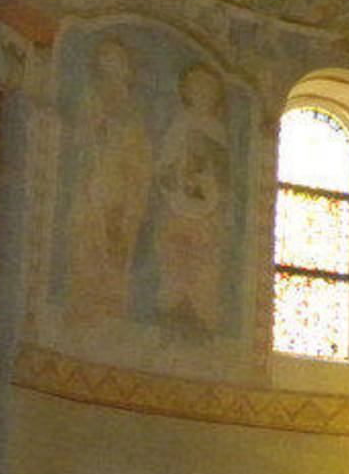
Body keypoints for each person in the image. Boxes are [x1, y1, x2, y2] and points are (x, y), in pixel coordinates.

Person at [63, 37, 152, 322]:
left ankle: (112, 307)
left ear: (126, 67)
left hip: (120, 187)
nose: (110, 66)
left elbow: (141, 153)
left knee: (117, 243)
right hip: (92, 183)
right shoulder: (90, 100)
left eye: (116, 60)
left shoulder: (134, 110)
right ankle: (84, 302)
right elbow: (77, 139)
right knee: (87, 238)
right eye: (105, 59)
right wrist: (95, 127)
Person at [153, 62, 233, 337]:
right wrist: (175, 176)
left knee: (204, 263)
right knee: (175, 259)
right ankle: (171, 315)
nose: (202, 94)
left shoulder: (218, 130)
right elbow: (164, 164)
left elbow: (225, 173)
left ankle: (200, 319)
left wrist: (207, 176)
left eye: (208, 89)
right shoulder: (180, 124)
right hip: (177, 207)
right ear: (187, 92)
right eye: (197, 88)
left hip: (208, 211)